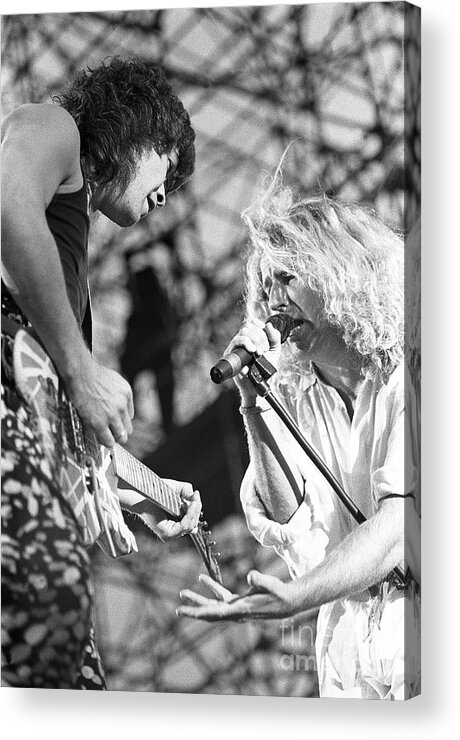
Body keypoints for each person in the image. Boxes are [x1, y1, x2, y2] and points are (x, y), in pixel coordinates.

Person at [178, 171, 421, 700]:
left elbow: (400, 524)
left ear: (341, 274)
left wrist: (294, 600)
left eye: (287, 278)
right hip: (352, 666)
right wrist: (252, 403)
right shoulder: (291, 399)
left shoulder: (413, 370)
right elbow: (298, 531)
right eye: (265, 289)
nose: (273, 301)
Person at [1, 57, 201, 689]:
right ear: (135, 130)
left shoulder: (68, 283)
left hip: (34, 449)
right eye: (167, 166)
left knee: (79, 680)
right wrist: (81, 367)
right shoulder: (56, 127)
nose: (166, 196)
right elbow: (7, 203)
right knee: (52, 598)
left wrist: (145, 491)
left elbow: (62, 421)